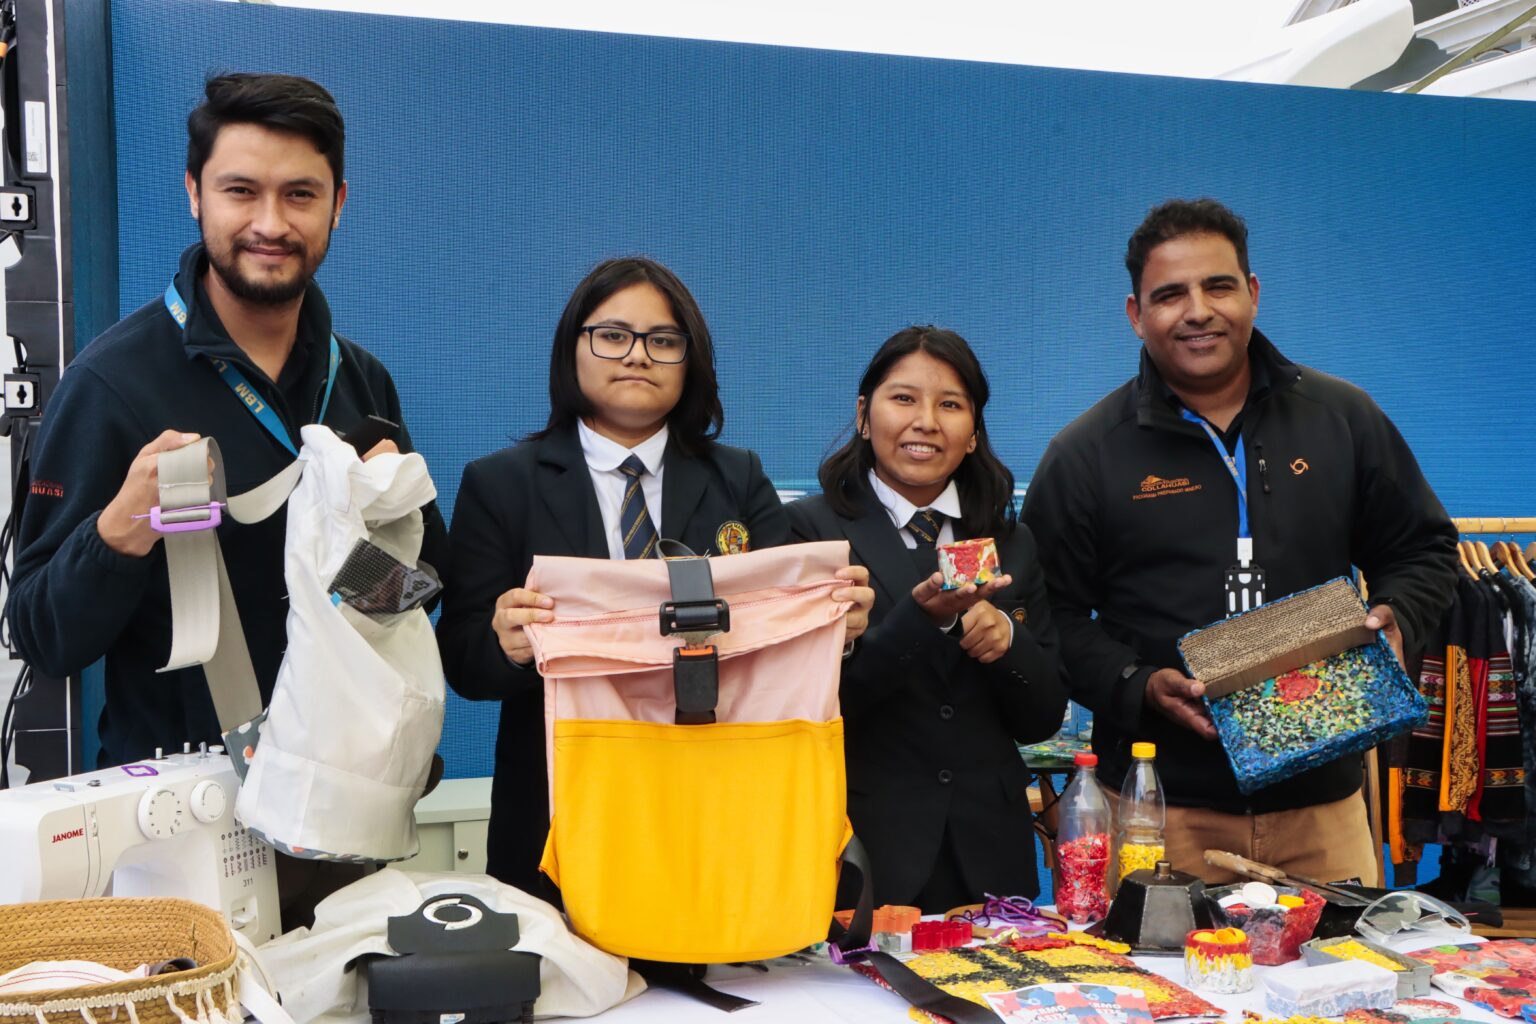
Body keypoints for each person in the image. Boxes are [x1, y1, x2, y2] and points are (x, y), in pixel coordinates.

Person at [7, 72, 445, 769]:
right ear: (194, 194)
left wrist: (371, 534)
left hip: (342, 799)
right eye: (241, 191)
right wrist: (120, 529)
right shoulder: (111, 385)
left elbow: (416, 600)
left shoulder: (360, 382)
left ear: (338, 205)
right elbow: (41, 637)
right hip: (181, 814)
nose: (270, 224)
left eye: (299, 194)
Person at [1021, 198, 1457, 886]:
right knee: (1154, 995)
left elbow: (1423, 549)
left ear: (1252, 294)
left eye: (1218, 286)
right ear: (1136, 315)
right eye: (1170, 295)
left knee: (1349, 988)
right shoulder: (1085, 454)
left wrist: (1397, 616)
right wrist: (1138, 684)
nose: (1198, 310)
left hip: (1326, 810)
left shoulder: (1341, 418)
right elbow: (1050, 615)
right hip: (1157, 811)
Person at [436, 255, 874, 900]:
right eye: (613, 335)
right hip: (563, 802)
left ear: (689, 362)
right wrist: (503, 643)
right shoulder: (501, 483)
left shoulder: (738, 477)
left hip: (717, 794)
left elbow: (777, 629)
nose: (637, 355)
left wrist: (836, 629)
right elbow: (462, 659)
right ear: (573, 348)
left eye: (663, 341)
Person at [788, 325, 1066, 912]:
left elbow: (1042, 718)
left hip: (990, 852)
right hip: (861, 844)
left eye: (950, 405)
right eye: (904, 398)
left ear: (972, 433)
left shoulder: (1011, 541)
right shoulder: (809, 534)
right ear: (864, 415)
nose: (926, 422)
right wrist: (922, 620)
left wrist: (1008, 642)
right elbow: (812, 705)